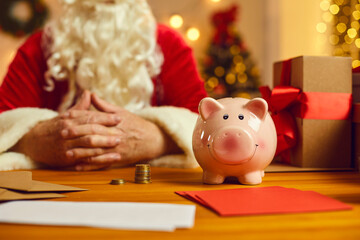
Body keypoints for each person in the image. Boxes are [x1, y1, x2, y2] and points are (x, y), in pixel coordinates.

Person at [0, 0, 207, 171]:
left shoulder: (169, 45)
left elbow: (205, 126)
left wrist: (158, 139)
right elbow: (3, 122)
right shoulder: (36, 49)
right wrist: (36, 141)